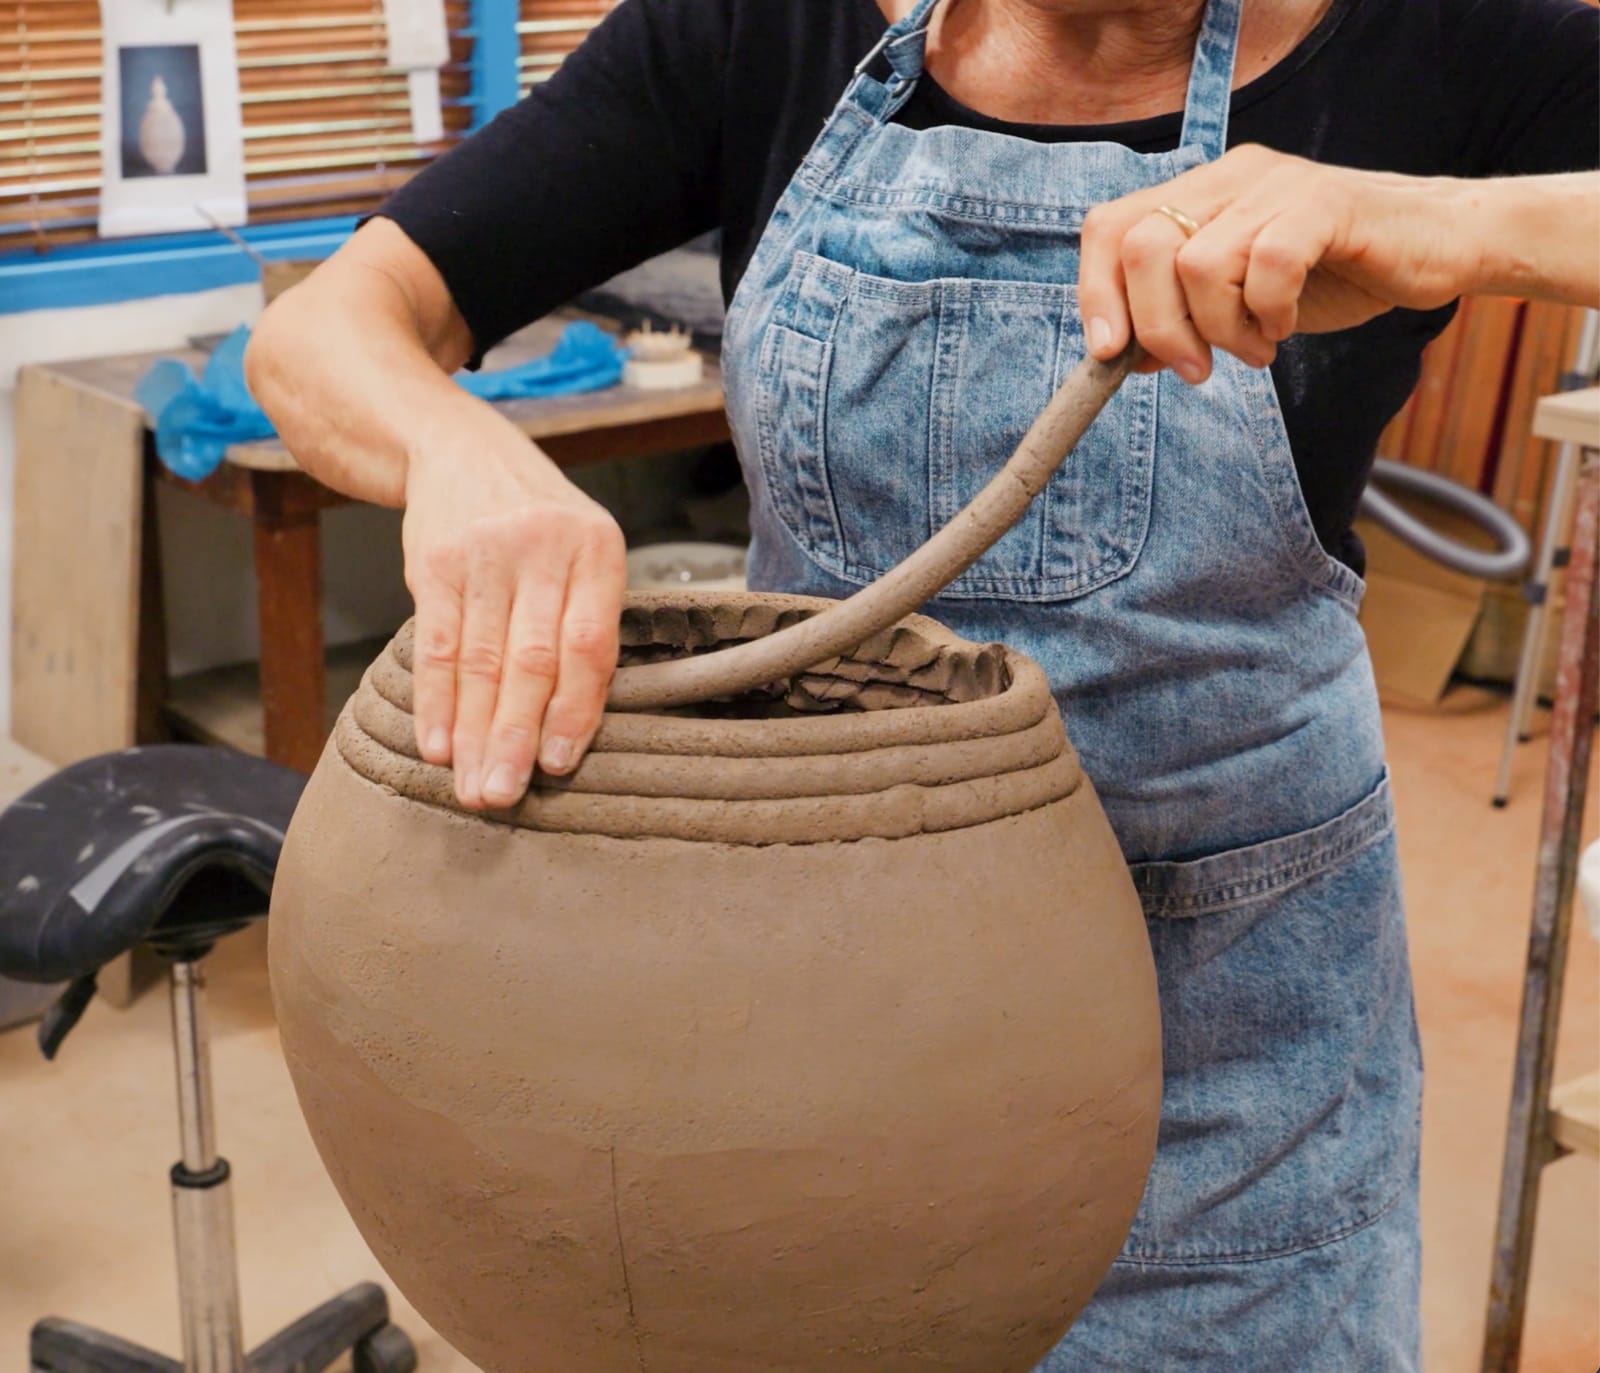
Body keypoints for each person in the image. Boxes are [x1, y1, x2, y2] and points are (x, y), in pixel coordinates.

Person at [245, 0, 1600, 1365]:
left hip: (1228, 1086)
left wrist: (1446, 223)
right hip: (809, 1063)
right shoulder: (760, 31)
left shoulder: (1436, 42)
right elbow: (324, 331)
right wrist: (456, 455)